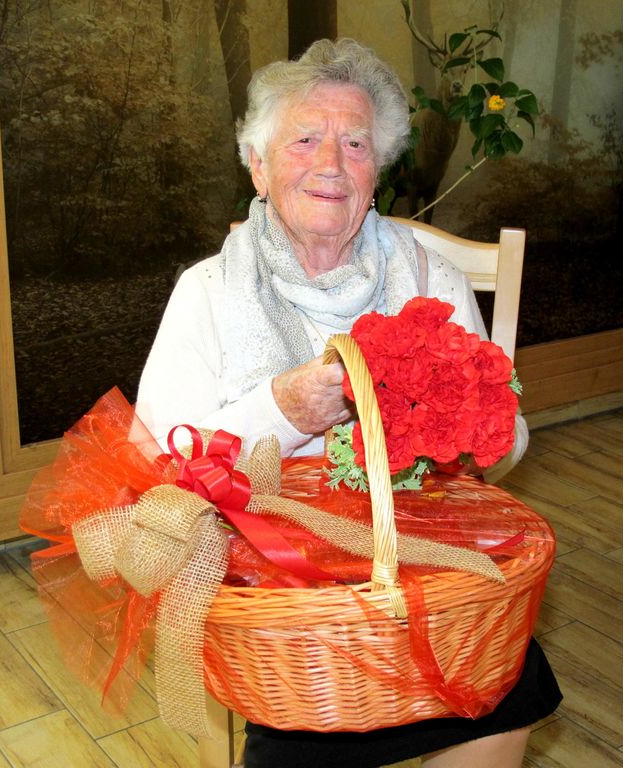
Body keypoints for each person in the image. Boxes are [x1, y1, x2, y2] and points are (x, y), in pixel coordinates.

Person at [136, 38, 560, 768]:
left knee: (511, 687)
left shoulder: (431, 277)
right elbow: (155, 470)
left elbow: (507, 440)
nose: (331, 163)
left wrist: (458, 435)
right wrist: (283, 411)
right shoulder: (207, 291)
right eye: (304, 139)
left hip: (422, 570)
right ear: (258, 167)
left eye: (355, 143)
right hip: (286, 602)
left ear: (377, 171)